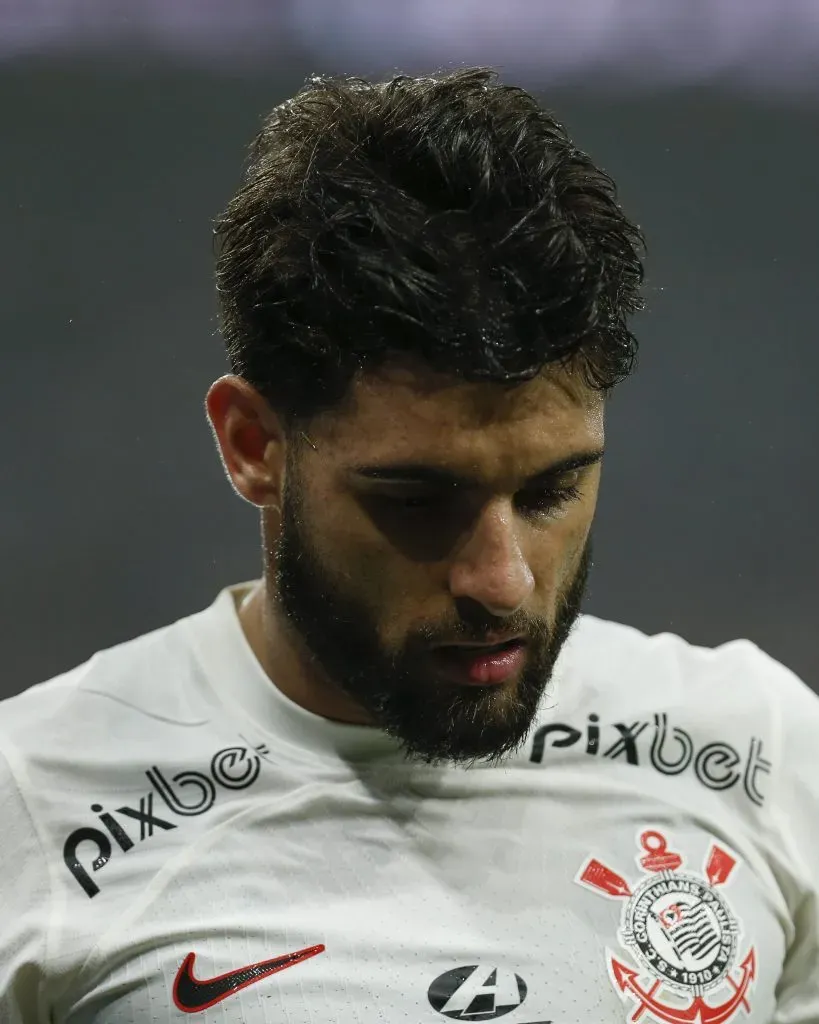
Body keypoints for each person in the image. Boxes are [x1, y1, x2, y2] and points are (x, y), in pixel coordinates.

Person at [1, 65, 816, 1024]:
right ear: (253, 446)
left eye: (552, 488)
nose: (502, 582)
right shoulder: (31, 801)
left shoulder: (762, 753)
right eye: (419, 500)